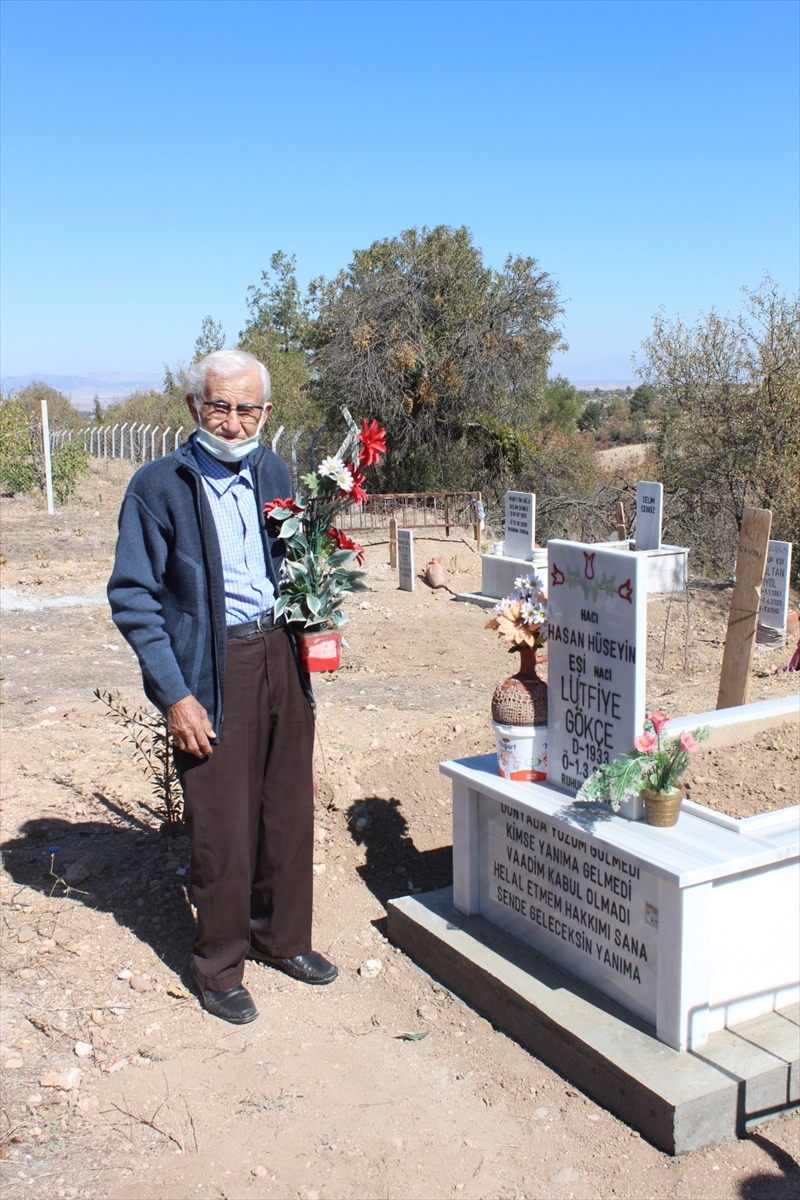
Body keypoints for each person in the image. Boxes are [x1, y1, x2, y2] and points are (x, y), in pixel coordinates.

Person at [107, 349, 337, 1025]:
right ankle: (220, 966)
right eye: (219, 406)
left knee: (287, 810)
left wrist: (320, 616)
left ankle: (281, 938)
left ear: (266, 413)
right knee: (224, 829)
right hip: (212, 668)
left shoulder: (272, 469)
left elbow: (296, 562)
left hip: (280, 655)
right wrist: (176, 696)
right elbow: (134, 598)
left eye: (246, 408)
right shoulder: (159, 486)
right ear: (193, 408)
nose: (232, 422)